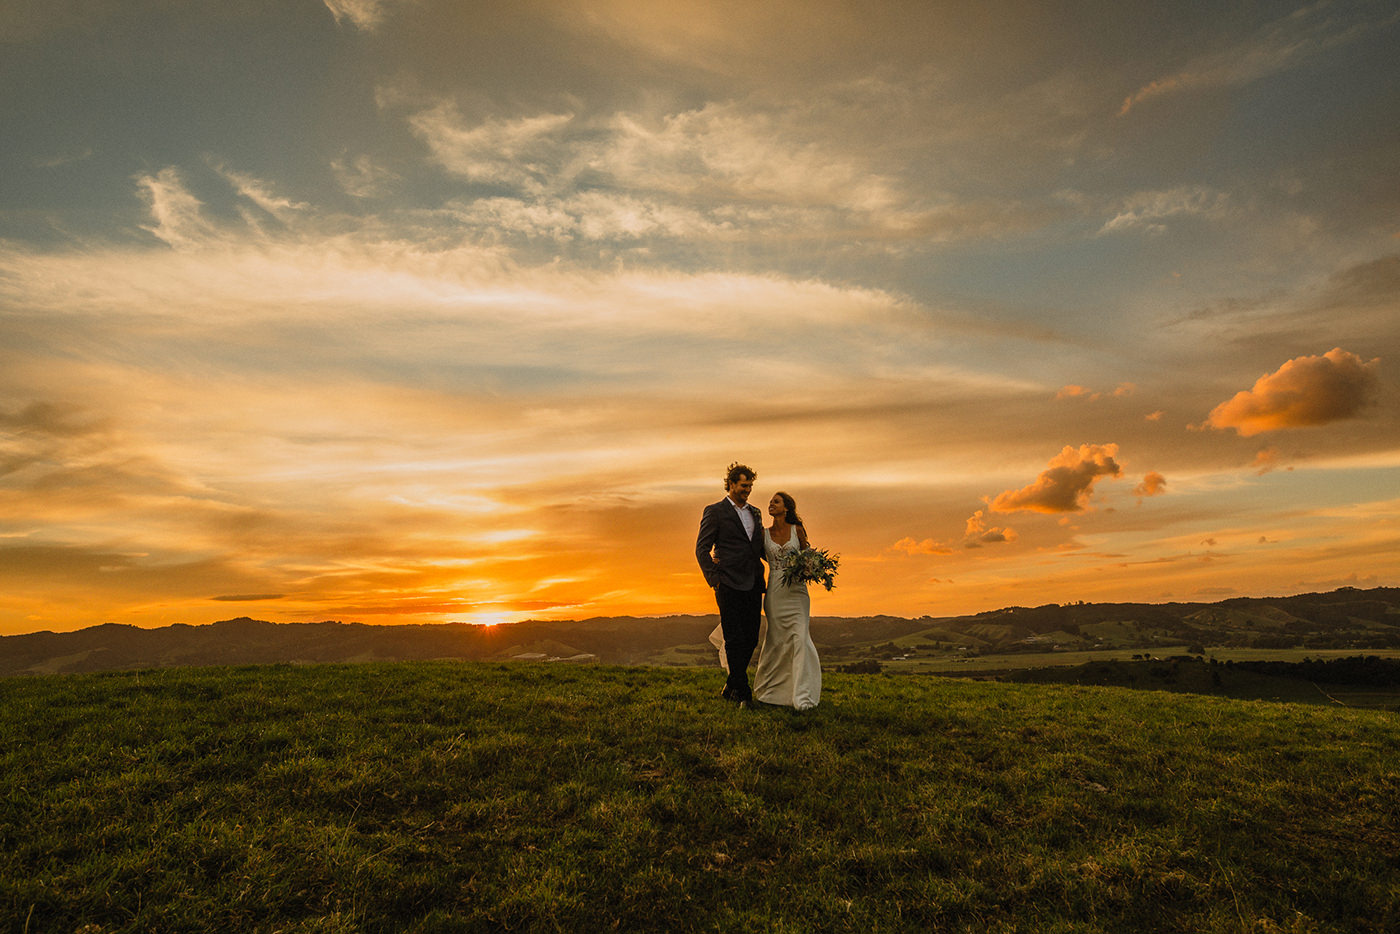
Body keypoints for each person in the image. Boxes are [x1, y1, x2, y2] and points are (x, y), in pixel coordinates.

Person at [695, 462, 766, 707]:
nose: (748, 490)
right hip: (728, 583)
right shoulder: (714, 511)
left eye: (750, 486)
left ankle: (731, 685)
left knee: (751, 638)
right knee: (734, 638)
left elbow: (758, 547)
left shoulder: (756, 512)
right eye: (744, 485)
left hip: (754, 582)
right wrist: (714, 578)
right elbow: (701, 548)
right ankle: (743, 694)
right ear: (732, 484)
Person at [752, 491, 822, 710]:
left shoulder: (797, 530)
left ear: (787, 508)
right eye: (771, 502)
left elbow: (807, 555)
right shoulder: (763, 534)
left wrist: (809, 568)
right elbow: (756, 556)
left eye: (776, 502)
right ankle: (771, 691)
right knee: (776, 640)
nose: (771, 504)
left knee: (800, 638)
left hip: (797, 593)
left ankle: (802, 696)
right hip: (775, 592)